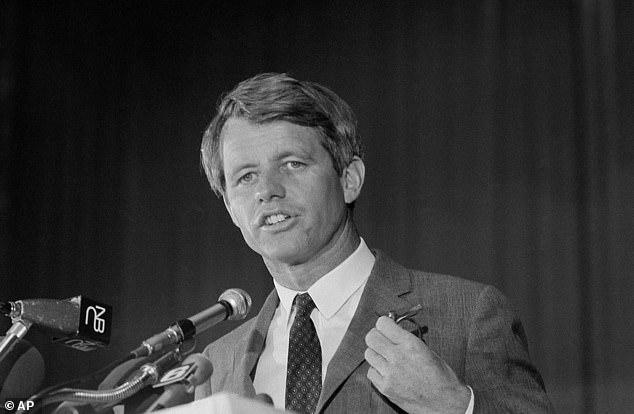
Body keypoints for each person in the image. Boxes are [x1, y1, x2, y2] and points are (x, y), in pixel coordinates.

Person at [195, 73, 555, 413]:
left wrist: (454, 406)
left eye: (292, 164)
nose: (266, 191)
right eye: (245, 177)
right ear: (230, 208)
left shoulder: (469, 316)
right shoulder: (217, 364)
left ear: (349, 179)